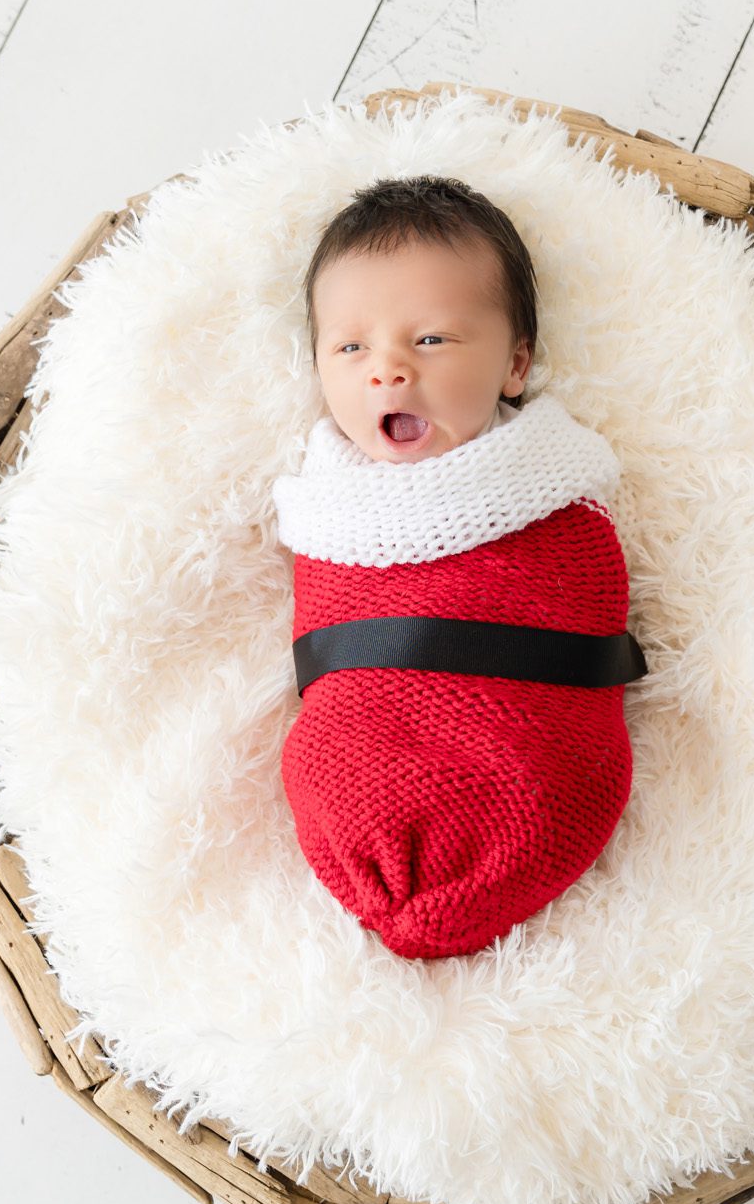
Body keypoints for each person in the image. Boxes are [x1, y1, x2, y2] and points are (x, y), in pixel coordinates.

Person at [272, 174, 647, 959]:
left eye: (431, 339)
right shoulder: (327, 506)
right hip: (361, 782)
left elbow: (583, 596)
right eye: (351, 347)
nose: (389, 370)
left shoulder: (549, 487)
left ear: (515, 365)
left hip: (532, 765)